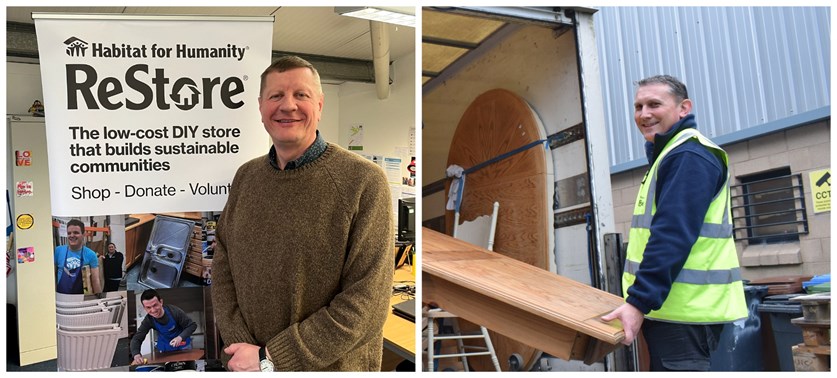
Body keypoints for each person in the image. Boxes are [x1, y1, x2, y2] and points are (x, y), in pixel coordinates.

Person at [211, 55, 394, 372]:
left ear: (320, 105)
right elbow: (223, 267)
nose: (288, 106)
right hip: (249, 364)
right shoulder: (245, 177)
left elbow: (367, 304)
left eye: (301, 95)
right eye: (276, 96)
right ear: (261, 108)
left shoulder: (363, 182)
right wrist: (244, 350)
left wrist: (271, 358)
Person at [601, 75, 747, 371]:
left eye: (654, 104)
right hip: (674, 312)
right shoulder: (670, 155)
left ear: (684, 109)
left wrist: (638, 302)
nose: (644, 114)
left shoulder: (689, 155)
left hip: (686, 316)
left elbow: (672, 236)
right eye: (638, 106)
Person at [131, 289, 198, 365]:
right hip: (164, 350)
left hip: (183, 346)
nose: (153, 310)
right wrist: (136, 355)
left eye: (155, 305)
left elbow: (192, 325)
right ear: (144, 308)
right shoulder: (148, 320)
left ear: (161, 302)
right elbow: (137, 338)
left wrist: (180, 337)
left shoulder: (174, 311)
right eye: (148, 307)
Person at [54, 219, 101, 294]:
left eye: (76, 233)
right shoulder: (58, 251)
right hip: (62, 297)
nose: (72, 235)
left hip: (81, 299)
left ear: (83, 234)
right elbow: (52, 276)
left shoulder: (91, 254)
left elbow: (95, 280)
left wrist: (97, 299)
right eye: (69, 233)